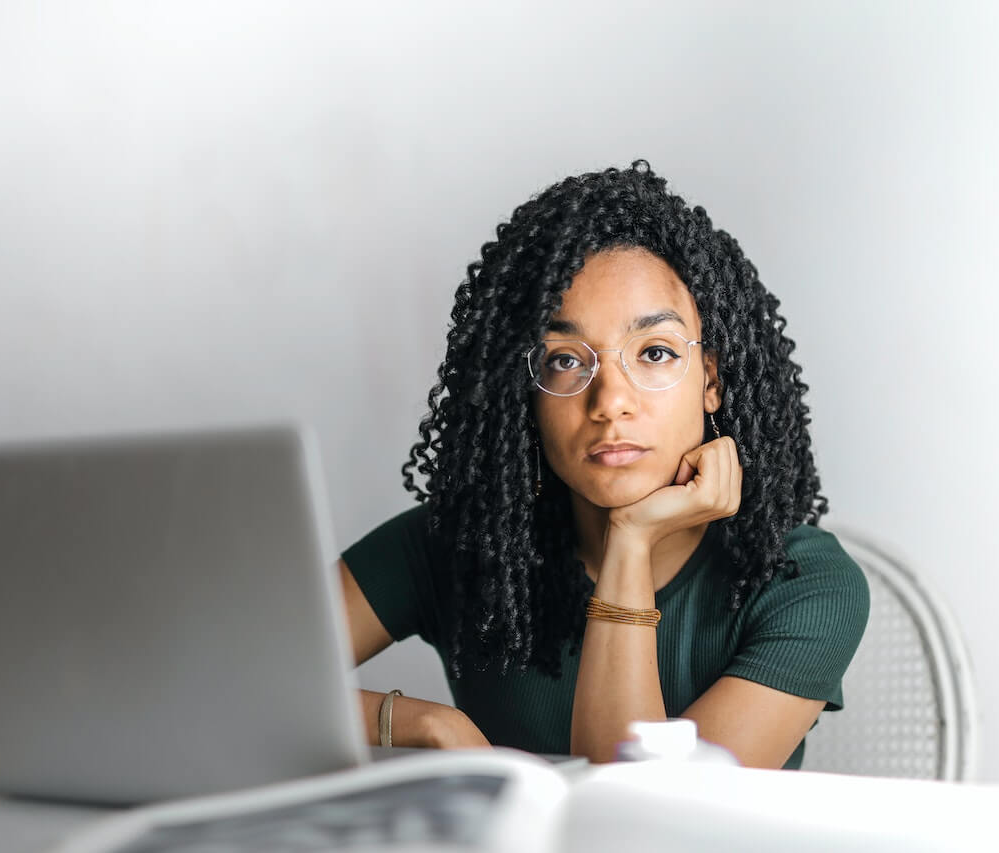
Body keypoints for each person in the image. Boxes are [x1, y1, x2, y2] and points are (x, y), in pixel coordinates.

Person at [339, 160, 870, 769]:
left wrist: (632, 539)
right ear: (527, 393)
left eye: (655, 352)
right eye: (565, 360)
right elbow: (222, 680)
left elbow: (643, 821)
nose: (611, 401)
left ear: (711, 381)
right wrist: (427, 722)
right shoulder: (463, 544)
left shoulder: (804, 582)